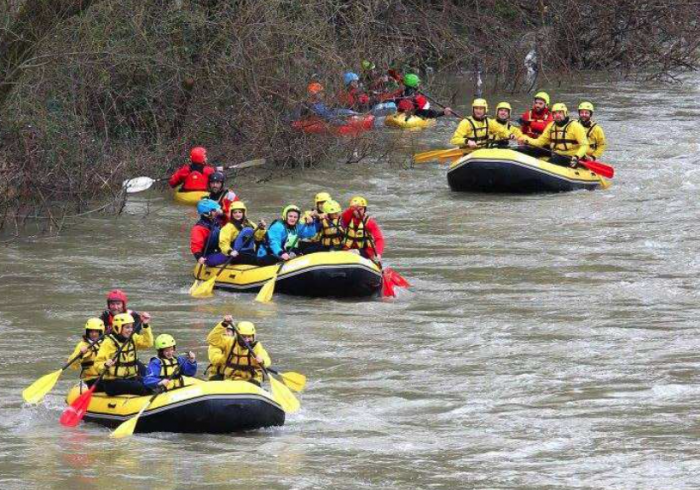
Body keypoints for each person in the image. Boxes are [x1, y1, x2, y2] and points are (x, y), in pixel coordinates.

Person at [94, 312, 153, 396]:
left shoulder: (133, 337)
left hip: (130, 378)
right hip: (113, 383)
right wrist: (105, 364)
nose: (130, 330)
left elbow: (148, 343)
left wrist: (146, 326)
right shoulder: (109, 342)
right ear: (118, 327)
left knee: (150, 383)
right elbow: (97, 364)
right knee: (139, 387)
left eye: (131, 327)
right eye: (127, 327)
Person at [518, 103, 589, 167]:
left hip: (571, 156)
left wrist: (577, 156)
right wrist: (525, 138)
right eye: (555, 113)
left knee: (555, 160)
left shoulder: (576, 126)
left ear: (565, 113)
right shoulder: (551, 126)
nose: (557, 115)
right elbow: (539, 142)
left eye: (560, 113)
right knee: (533, 150)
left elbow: (584, 145)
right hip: (556, 153)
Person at [206, 316, 271, 387]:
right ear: (238, 336)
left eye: (249, 337)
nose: (246, 340)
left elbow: (267, 360)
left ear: (253, 336)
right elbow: (211, 340)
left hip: (250, 379)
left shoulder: (256, 346)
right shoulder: (230, 342)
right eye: (244, 337)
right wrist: (224, 324)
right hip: (231, 379)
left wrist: (262, 360)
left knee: (255, 383)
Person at [341, 196, 384, 261]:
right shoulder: (348, 219)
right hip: (348, 249)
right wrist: (352, 208)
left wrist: (378, 254)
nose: (357, 212)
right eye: (355, 210)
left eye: (360, 209)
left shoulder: (370, 223)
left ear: (364, 209)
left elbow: (379, 239)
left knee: (354, 252)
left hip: (365, 251)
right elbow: (344, 215)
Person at [67, 318, 106, 386]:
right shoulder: (82, 345)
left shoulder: (108, 343)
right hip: (90, 378)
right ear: (87, 332)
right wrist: (80, 354)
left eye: (96, 331)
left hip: (106, 377)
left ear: (101, 332)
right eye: (91, 331)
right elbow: (73, 366)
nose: (93, 334)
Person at [191, 198, 228, 267]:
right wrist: (199, 257)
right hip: (208, 256)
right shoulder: (198, 228)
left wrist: (223, 214)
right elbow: (195, 246)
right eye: (214, 210)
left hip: (220, 250)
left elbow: (229, 223)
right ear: (206, 213)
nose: (217, 212)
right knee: (231, 256)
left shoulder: (216, 220)